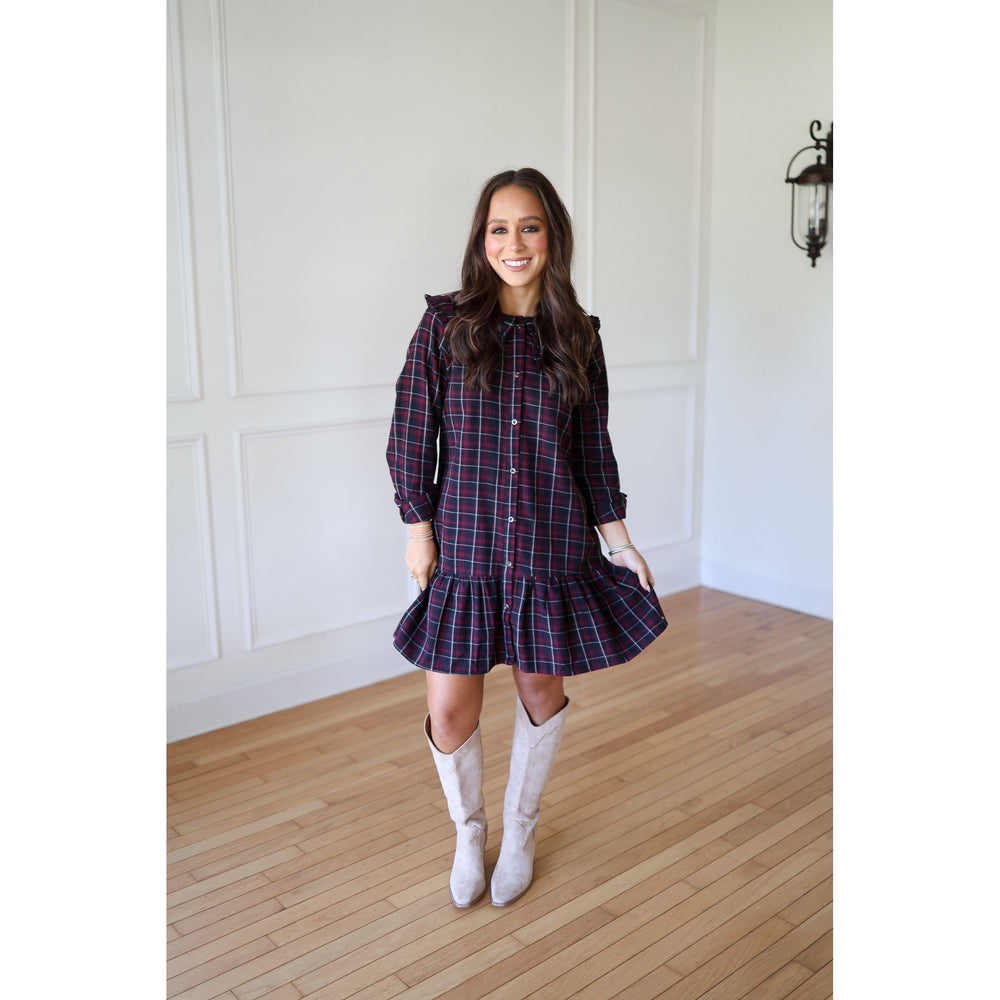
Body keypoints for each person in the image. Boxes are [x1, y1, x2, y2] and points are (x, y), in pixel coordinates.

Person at [386, 167, 667, 908]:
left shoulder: (578, 336)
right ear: (482, 241)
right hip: (467, 552)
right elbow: (412, 437)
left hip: (552, 547)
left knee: (541, 692)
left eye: (530, 226)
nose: (515, 242)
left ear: (553, 237)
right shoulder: (444, 326)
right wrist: (419, 533)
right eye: (500, 228)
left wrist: (619, 540)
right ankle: (468, 834)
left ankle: (521, 829)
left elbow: (591, 451)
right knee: (451, 710)